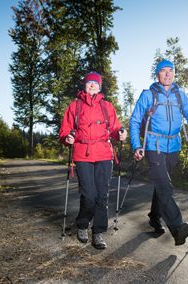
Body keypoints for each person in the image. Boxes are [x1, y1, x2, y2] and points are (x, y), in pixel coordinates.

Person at [129, 60, 188, 246]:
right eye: (163, 71)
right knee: (165, 186)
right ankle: (177, 227)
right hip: (153, 145)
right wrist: (137, 146)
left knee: (161, 186)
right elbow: (135, 121)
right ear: (157, 74)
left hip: (174, 147)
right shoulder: (148, 95)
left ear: (174, 74)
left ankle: (154, 217)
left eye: (171, 71)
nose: (168, 74)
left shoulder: (180, 95)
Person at [60, 71, 127, 249]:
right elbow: (65, 130)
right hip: (83, 154)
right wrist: (67, 137)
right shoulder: (75, 106)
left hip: (104, 154)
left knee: (102, 196)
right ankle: (82, 224)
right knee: (89, 195)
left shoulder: (107, 106)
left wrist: (120, 133)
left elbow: (115, 128)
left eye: (95, 83)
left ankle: (98, 233)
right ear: (84, 86)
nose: (92, 85)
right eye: (89, 83)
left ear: (99, 87)